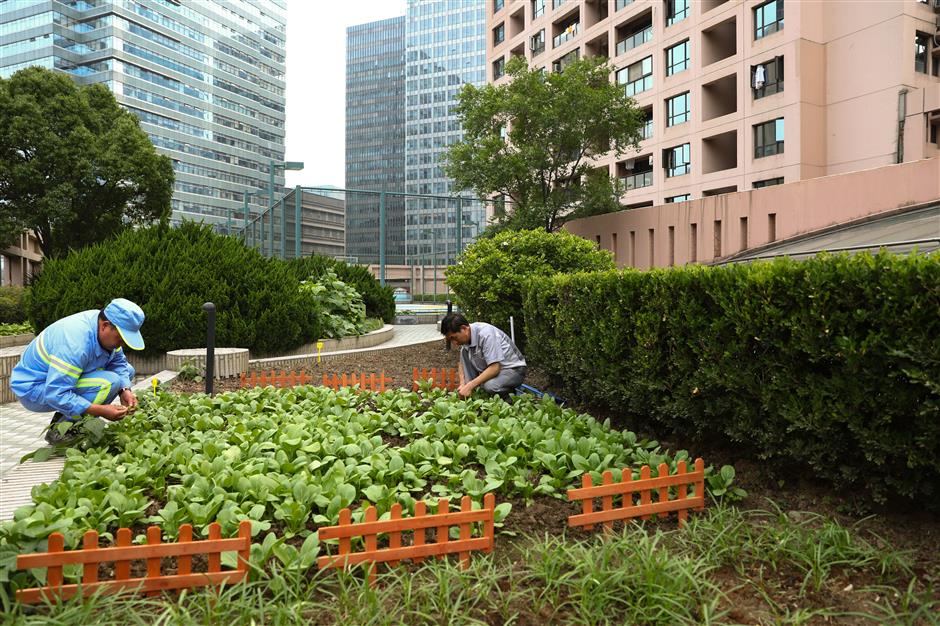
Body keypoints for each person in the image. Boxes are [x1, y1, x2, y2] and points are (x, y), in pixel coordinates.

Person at [10, 298, 146, 445]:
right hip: (34, 389)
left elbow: (118, 362)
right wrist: (100, 410)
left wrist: (125, 390)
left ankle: (67, 418)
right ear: (105, 326)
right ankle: (62, 431)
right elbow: (56, 393)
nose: (122, 344)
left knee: (126, 373)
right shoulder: (75, 344)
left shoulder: (104, 322)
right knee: (110, 382)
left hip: (54, 382)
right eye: (120, 339)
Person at [440, 313, 526, 400]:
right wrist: (463, 384)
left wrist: (470, 385)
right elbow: (462, 364)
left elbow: (495, 368)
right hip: (497, 371)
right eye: (450, 340)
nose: (454, 343)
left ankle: (510, 400)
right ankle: (470, 397)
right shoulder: (466, 338)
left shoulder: (486, 334)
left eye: (454, 338)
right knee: (464, 352)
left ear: (464, 328)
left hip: (513, 370)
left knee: (490, 386)